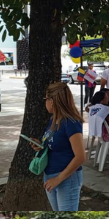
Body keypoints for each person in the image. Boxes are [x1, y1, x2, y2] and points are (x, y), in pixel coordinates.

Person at [32, 82, 86, 211]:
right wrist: (41, 145)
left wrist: (58, 179)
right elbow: (55, 144)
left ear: (52, 101)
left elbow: (80, 157)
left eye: (46, 99)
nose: (45, 102)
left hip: (67, 178)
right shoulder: (54, 119)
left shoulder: (71, 123)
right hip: (50, 176)